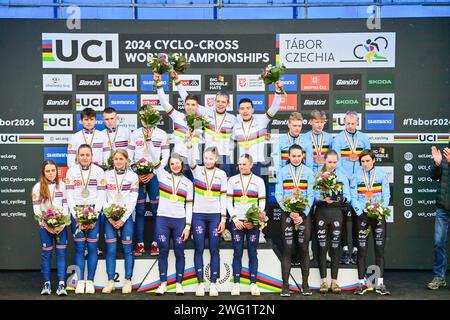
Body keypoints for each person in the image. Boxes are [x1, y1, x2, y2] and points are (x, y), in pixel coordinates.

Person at [146, 147, 193, 296]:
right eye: (172, 164)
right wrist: (148, 141)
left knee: (179, 252)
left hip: (180, 220)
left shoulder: (188, 183)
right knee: (163, 251)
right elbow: (154, 158)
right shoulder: (162, 175)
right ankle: (163, 283)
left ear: (182, 164)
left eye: (177, 163)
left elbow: (190, 205)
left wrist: (187, 226)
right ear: (169, 165)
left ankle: (179, 283)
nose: (175, 166)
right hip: (163, 219)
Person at [171, 71, 237, 177]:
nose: (220, 104)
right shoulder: (207, 113)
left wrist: (228, 148)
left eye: (223, 102)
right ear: (214, 101)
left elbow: (240, 133)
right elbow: (187, 98)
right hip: (208, 157)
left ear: (228, 104)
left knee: (226, 184)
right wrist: (177, 81)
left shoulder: (233, 119)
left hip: (224, 157)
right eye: (218, 101)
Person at [186, 145, 227, 297]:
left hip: (215, 216)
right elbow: (190, 160)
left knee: (214, 249)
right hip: (198, 216)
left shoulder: (222, 174)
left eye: (211, 158)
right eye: (205, 158)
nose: (208, 161)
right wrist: (190, 147)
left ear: (216, 159)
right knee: (199, 248)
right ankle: (200, 283)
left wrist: (223, 219)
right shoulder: (197, 170)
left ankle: (213, 284)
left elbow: (223, 197)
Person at [275, 145, 315, 297]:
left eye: (299, 156)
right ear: (288, 157)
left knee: (304, 248)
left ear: (303, 156)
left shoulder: (309, 172)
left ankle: (305, 285)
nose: (296, 158)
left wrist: (302, 215)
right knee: (288, 249)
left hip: (303, 216)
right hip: (288, 214)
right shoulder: (282, 172)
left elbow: (310, 195)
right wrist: (289, 211)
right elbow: (279, 194)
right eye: (294, 156)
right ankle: (285, 286)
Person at [66, 144, 106, 294]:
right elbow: (69, 195)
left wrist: (95, 215)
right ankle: (80, 281)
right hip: (77, 213)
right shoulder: (71, 172)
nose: (84, 158)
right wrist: (76, 215)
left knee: (92, 248)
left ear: (92, 156)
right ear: (77, 157)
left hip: (93, 212)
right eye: (81, 155)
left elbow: (101, 195)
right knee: (79, 248)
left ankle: (90, 281)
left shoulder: (99, 171)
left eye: (87, 155)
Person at [351, 149, 391, 295]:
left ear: (373, 160)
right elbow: (353, 197)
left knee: (379, 252)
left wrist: (380, 210)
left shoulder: (381, 175)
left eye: (368, 161)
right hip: (363, 218)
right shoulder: (356, 176)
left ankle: (380, 284)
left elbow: (386, 195)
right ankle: (361, 284)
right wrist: (360, 213)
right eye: (362, 161)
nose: (365, 164)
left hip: (378, 217)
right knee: (361, 252)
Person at [333, 111, 371, 265]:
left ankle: (356, 249)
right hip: (343, 182)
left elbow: (367, 160)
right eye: (347, 123)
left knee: (358, 217)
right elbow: (336, 161)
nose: (350, 126)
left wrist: (358, 177)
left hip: (359, 183)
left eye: (353, 123)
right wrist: (345, 177)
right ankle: (344, 249)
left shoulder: (364, 138)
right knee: (341, 219)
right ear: (344, 123)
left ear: (357, 123)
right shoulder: (338, 139)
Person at [227, 154, 267, 296]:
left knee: (252, 252)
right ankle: (236, 283)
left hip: (252, 223)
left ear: (251, 165)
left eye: (244, 164)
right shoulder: (232, 180)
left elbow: (261, 202)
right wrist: (235, 219)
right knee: (237, 252)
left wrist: (255, 220)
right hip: (238, 223)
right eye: (240, 164)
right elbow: (228, 202)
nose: (242, 166)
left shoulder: (259, 181)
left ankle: (253, 283)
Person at [128, 124, 170, 257]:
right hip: (138, 176)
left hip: (155, 175)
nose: (147, 120)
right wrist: (137, 173)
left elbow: (166, 156)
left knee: (156, 210)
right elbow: (129, 157)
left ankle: (155, 243)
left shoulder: (162, 134)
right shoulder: (134, 134)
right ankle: (139, 244)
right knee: (139, 210)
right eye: (144, 117)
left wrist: (154, 172)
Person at [313, 150, 350, 294]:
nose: (332, 164)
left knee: (335, 247)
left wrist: (338, 199)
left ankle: (334, 282)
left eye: (334, 162)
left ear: (338, 162)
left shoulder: (342, 176)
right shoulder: (318, 176)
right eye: (329, 162)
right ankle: (323, 282)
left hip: (336, 213)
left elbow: (348, 196)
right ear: (324, 161)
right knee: (322, 247)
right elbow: (314, 196)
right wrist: (322, 198)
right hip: (321, 212)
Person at [102, 149, 139, 294]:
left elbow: (133, 200)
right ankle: (110, 281)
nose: (118, 161)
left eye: (121, 159)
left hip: (126, 218)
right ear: (112, 161)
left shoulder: (133, 176)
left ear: (127, 160)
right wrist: (110, 216)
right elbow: (102, 198)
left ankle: (128, 281)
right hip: (109, 218)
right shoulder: (106, 175)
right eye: (116, 159)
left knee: (128, 250)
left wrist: (123, 219)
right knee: (111, 250)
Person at [32, 160, 69, 296]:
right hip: (45, 227)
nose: (51, 173)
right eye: (47, 171)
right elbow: (36, 208)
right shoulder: (37, 187)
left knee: (61, 255)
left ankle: (61, 284)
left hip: (61, 227)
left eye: (53, 170)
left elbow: (66, 207)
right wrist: (46, 224)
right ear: (43, 172)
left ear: (56, 171)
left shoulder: (63, 186)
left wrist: (62, 224)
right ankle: (46, 283)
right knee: (46, 255)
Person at [155, 73, 204, 166]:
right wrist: (159, 83)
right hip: (178, 160)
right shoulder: (177, 116)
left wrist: (190, 137)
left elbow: (195, 140)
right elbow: (163, 102)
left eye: (193, 105)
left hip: (195, 160)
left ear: (197, 106)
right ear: (184, 105)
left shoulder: (199, 121)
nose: (190, 107)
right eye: (188, 104)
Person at [427, 144, 450, 290]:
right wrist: (437, 163)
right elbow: (433, 176)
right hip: (443, 208)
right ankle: (439, 277)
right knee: (439, 242)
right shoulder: (445, 153)